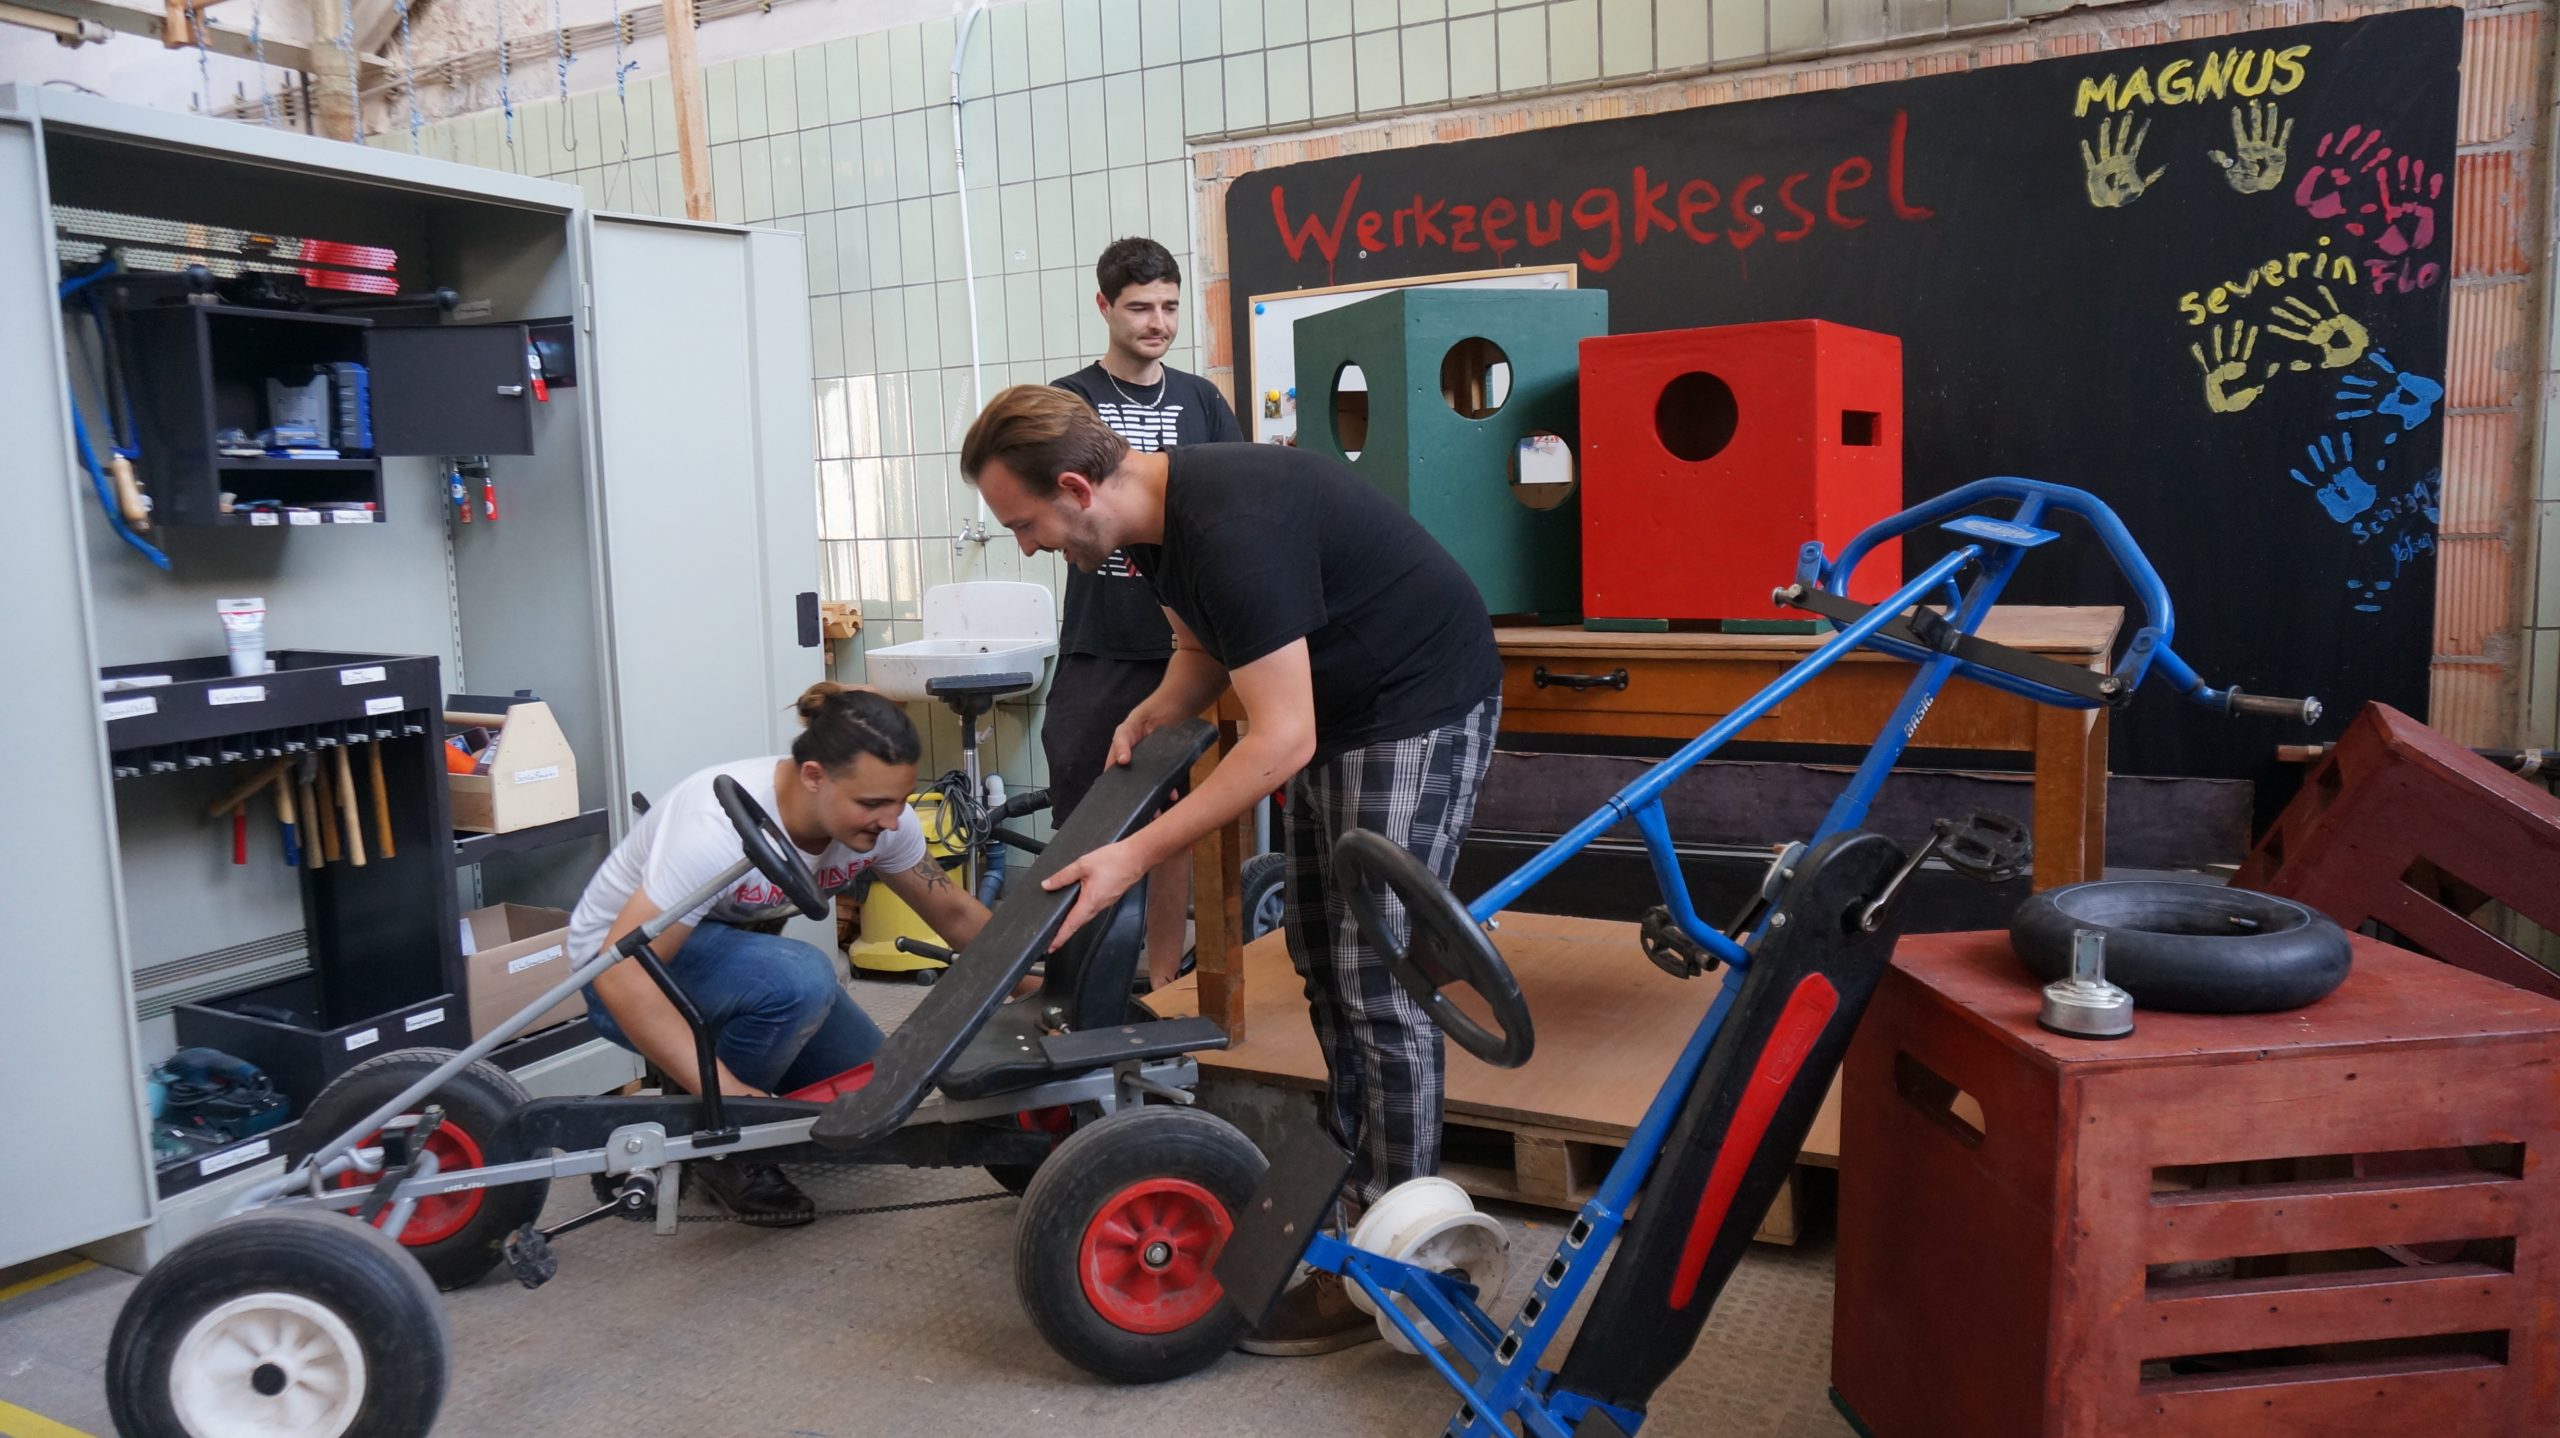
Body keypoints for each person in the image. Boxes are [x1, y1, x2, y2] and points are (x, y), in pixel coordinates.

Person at [959, 385, 1504, 1354]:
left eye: (1024, 523)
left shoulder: (1230, 527)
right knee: (1319, 953)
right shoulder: (1154, 527)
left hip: (1415, 699)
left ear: (1077, 488)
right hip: (1337, 707)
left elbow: (1280, 739)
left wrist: (1133, 853)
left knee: (1378, 978)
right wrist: (1157, 708)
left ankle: (1404, 1266)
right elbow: (1201, 647)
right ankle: (1359, 1200)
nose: (1029, 548)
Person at [564, 682, 992, 1227]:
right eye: (871, 804)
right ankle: (721, 1142)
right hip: (618, 974)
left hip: (726, 962)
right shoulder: (712, 828)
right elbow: (622, 973)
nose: (892, 821)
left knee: (871, 1089)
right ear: (813, 775)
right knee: (801, 979)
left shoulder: (885, 821)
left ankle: (688, 1088)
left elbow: (953, 912)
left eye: (900, 800)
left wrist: (1043, 987)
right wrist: (734, 1098)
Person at [1047, 236, 1244, 992]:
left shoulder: (1202, 401)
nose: (1158, 323)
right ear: (1104, 306)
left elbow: (1232, 508)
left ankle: (1162, 986)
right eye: (1139, 308)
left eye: (1169, 306)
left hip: (1189, 648)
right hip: (1102, 641)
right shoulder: (1069, 403)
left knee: (1176, 818)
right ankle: (1083, 986)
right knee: (1084, 807)